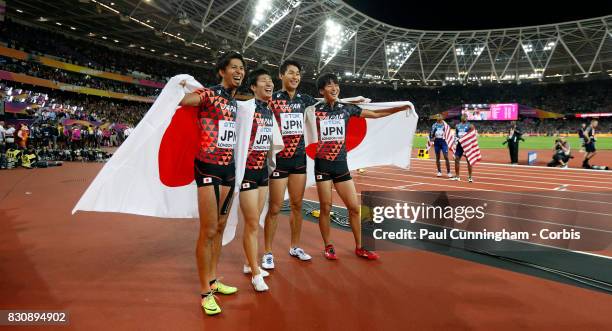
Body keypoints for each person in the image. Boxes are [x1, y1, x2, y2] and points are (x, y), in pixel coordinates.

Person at [314, 73, 411, 260]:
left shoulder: (347, 109)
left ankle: (360, 247)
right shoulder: (314, 109)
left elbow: (374, 114)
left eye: (336, 84)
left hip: (341, 165)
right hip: (322, 165)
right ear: (321, 90)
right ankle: (328, 246)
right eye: (328, 85)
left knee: (354, 208)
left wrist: (398, 108)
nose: (334, 87)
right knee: (326, 207)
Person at [179, 51, 245, 315]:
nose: (239, 72)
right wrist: (179, 87)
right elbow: (186, 101)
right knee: (207, 231)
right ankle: (205, 291)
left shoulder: (235, 103)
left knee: (219, 226)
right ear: (222, 71)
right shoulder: (209, 94)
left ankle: (214, 280)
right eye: (234, 67)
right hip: (207, 167)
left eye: (242, 68)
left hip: (228, 169)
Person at [262, 60, 317, 270]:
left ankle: (295, 247)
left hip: (299, 160)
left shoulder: (305, 100)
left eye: (298, 74)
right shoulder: (272, 99)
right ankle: (267, 252)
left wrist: (355, 101)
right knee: (275, 208)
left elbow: (328, 102)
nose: (295, 77)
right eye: (291, 73)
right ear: (281, 75)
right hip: (279, 160)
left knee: (297, 205)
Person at [239, 68, 277, 292]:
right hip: (246, 173)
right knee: (252, 222)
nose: (269, 83)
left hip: (263, 172)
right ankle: (255, 273)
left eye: (271, 80)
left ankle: (248, 263)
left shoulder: (268, 111)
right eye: (264, 80)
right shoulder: (245, 109)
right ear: (253, 87)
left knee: (255, 223)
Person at [452, 114, 475, 182]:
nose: (464, 117)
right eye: (463, 116)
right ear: (461, 118)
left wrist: (471, 144)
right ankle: (457, 176)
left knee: (469, 161)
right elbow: (455, 135)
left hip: (467, 145)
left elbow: (473, 135)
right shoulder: (457, 126)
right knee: (456, 159)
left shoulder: (470, 125)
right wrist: (455, 142)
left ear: (467, 118)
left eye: (466, 116)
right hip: (459, 145)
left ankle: (470, 177)